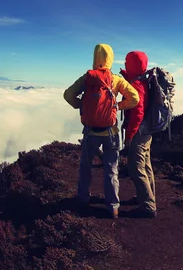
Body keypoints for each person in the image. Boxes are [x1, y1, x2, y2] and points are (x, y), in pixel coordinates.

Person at [64, 43, 139, 219]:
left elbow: (68, 95)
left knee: (85, 166)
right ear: (110, 59)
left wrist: (80, 105)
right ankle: (113, 206)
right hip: (110, 132)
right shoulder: (116, 79)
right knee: (111, 168)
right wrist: (118, 106)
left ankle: (83, 198)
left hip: (90, 132)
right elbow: (134, 98)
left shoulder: (87, 78)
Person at [120, 50, 157, 218]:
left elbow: (138, 113)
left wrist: (129, 135)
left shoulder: (136, 85)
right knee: (146, 166)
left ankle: (148, 207)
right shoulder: (142, 80)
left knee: (136, 168)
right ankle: (147, 197)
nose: (126, 64)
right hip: (147, 131)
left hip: (139, 131)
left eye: (127, 62)